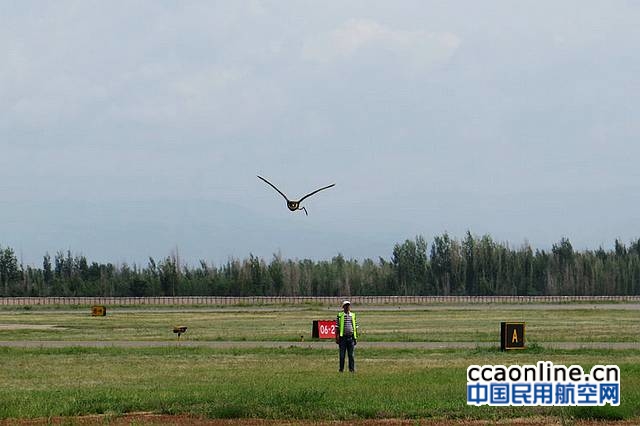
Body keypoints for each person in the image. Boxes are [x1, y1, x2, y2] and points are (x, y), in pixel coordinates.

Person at [335, 300, 357, 372]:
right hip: (343, 338)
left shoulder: (353, 315)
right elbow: (337, 327)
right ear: (343, 307)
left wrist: (355, 337)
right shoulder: (340, 315)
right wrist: (337, 337)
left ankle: (352, 369)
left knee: (351, 355)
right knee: (342, 355)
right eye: (346, 306)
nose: (347, 307)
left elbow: (355, 327)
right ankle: (341, 369)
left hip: (351, 338)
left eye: (348, 305)